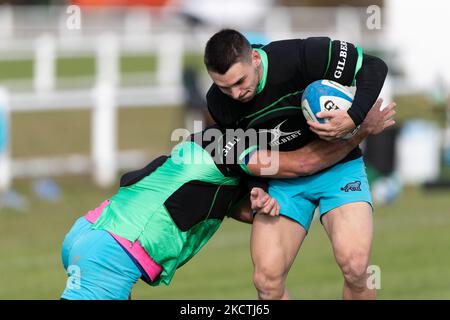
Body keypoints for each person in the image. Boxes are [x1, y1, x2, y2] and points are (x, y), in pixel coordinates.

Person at [59, 102, 393, 299]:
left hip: (88, 229)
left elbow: (203, 200)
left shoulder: (200, 151)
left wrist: (256, 202)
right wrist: (361, 131)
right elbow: (304, 163)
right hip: (115, 251)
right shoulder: (229, 143)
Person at [204, 29, 391, 299]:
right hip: (282, 182)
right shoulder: (218, 103)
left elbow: (374, 66)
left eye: (240, 81)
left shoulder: (301, 57)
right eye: (224, 87)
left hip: (338, 168)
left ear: (255, 58)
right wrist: (255, 189)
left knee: (355, 265)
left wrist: (354, 116)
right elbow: (245, 152)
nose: (235, 93)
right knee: (266, 282)